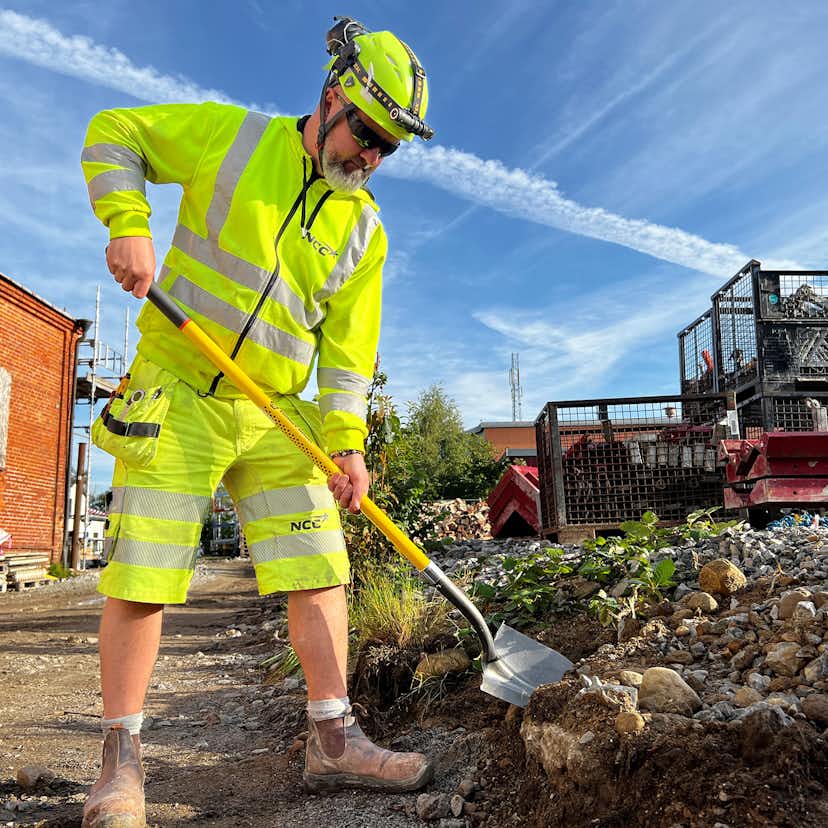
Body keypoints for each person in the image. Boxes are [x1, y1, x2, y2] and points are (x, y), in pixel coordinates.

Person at [79, 17, 434, 827]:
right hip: (179, 388)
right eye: (367, 135)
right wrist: (127, 222)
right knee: (146, 570)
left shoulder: (365, 230)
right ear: (333, 96)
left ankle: (333, 739)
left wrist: (347, 444)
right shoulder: (231, 138)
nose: (372, 157)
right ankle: (120, 761)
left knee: (319, 565)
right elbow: (113, 135)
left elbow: (349, 353)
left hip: (277, 413)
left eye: (390, 148)